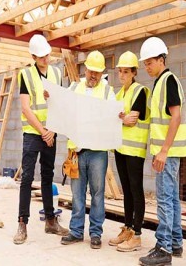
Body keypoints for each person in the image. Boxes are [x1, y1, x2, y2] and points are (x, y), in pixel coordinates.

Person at [138, 37, 186, 266]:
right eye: (145, 64)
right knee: (172, 199)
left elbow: (176, 116)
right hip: (168, 152)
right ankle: (176, 243)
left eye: (149, 63)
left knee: (164, 199)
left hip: (168, 153)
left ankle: (164, 249)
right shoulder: (160, 82)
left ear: (161, 60)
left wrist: (163, 151)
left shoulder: (168, 81)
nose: (147, 67)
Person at [13, 34, 68, 245]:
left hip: (50, 133)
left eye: (48, 55)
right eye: (42, 56)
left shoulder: (56, 72)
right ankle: (22, 223)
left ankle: (51, 221)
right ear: (34, 56)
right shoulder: (25, 75)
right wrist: (43, 131)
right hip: (33, 133)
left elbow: (59, 103)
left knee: (47, 176)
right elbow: (26, 107)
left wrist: (51, 131)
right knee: (27, 178)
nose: (46, 59)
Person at [60, 50, 115, 249]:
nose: (93, 76)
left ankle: (95, 233)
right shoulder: (74, 88)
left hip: (98, 152)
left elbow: (114, 117)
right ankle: (75, 231)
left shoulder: (108, 92)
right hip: (76, 150)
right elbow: (62, 108)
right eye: (91, 71)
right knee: (77, 193)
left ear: (102, 73)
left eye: (97, 73)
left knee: (98, 193)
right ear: (85, 70)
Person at [108, 51, 150, 252]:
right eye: (120, 71)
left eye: (126, 71)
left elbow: (132, 119)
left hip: (134, 150)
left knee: (136, 189)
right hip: (121, 148)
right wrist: (120, 118)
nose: (122, 75)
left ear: (134, 72)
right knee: (126, 191)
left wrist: (121, 118)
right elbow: (114, 118)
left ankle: (138, 235)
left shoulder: (140, 91)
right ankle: (128, 228)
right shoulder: (119, 94)